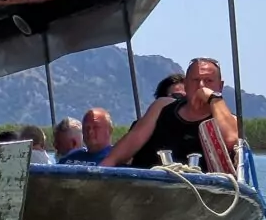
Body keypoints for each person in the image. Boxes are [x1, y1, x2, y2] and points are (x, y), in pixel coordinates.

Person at [103, 57, 240, 169]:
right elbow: (132, 141)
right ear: (186, 84)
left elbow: (230, 141)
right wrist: (103, 169)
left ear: (220, 86)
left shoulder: (228, 121)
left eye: (209, 81)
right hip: (146, 187)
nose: (201, 86)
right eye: (195, 80)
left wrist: (213, 98)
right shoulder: (162, 107)